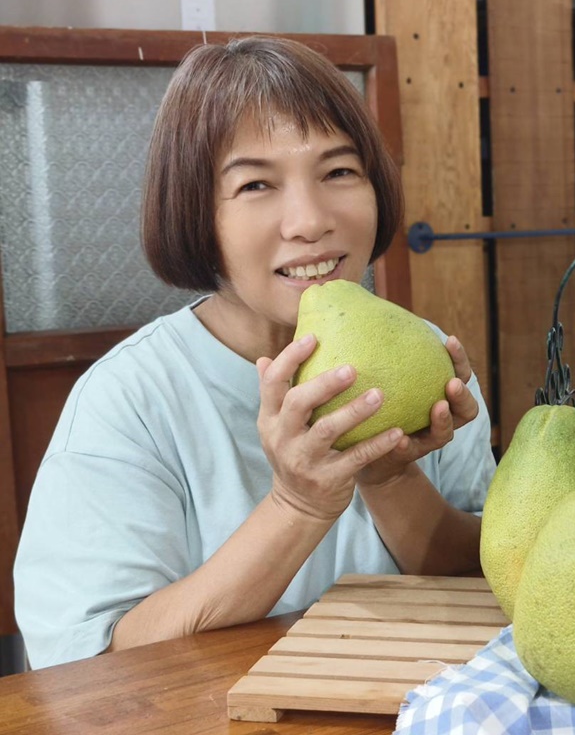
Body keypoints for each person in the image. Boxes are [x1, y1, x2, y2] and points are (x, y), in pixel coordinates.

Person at [13, 36, 495, 670]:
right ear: (196, 215)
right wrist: (297, 505)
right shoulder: (128, 401)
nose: (310, 219)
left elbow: (481, 575)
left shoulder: (426, 361)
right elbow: (89, 662)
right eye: (256, 184)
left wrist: (390, 475)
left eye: (339, 172)